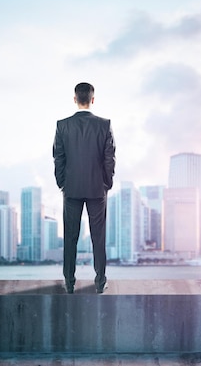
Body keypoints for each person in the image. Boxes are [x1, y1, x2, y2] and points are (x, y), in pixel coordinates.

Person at [53, 82, 116, 294]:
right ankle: (100, 282)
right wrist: (107, 183)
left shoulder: (62, 125)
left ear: (74, 99)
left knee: (70, 236)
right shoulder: (105, 124)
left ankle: (69, 282)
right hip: (97, 188)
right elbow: (110, 159)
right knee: (98, 237)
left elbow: (58, 157)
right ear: (92, 99)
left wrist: (62, 182)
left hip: (71, 188)